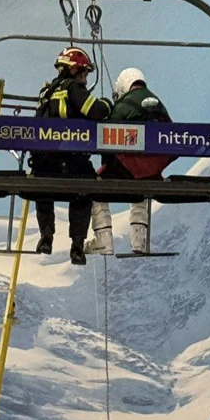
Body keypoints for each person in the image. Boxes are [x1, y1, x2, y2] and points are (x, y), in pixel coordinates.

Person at [30, 47, 112, 266]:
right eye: (84, 73)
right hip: (72, 161)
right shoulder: (73, 89)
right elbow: (95, 110)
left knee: (42, 189)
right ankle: (77, 246)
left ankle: (46, 236)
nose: (85, 78)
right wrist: (108, 103)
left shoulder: (45, 94)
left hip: (45, 164)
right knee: (84, 191)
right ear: (75, 70)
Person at [86, 67, 175, 257]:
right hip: (154, 169)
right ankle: (139, 241)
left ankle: (104, 240)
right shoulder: (159, 103)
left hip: (131, 165)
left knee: (95, 186)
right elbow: (173, 138)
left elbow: (107, 140)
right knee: (142, 189)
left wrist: (108, 165)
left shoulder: (123, 105)